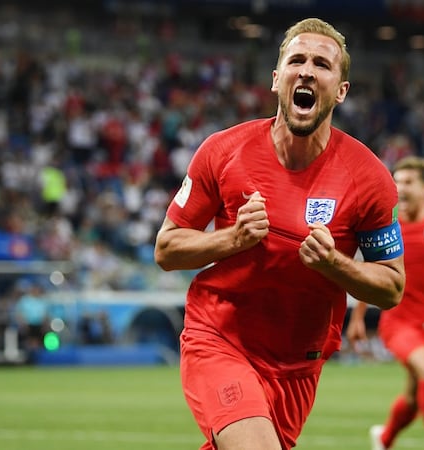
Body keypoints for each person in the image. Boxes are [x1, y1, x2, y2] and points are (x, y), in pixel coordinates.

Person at [154, 18, 405, 450]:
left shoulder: (369, 178)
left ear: (340, 90)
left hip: (298, 364)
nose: (307, 70)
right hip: (220, 338)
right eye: (297, 60)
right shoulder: (222, 151)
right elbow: (167, 247)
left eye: (322, 64)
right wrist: (232, 239)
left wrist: (335, 265)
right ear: (277, 79)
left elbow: (392, 286)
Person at [346, 156, 424, 450]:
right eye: (396, 181)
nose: (400, 187)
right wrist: (359, 317)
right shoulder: (388, 224)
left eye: (408, 181)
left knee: (415, 396)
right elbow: (371, 271)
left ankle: (384, 439)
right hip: (398, 322)